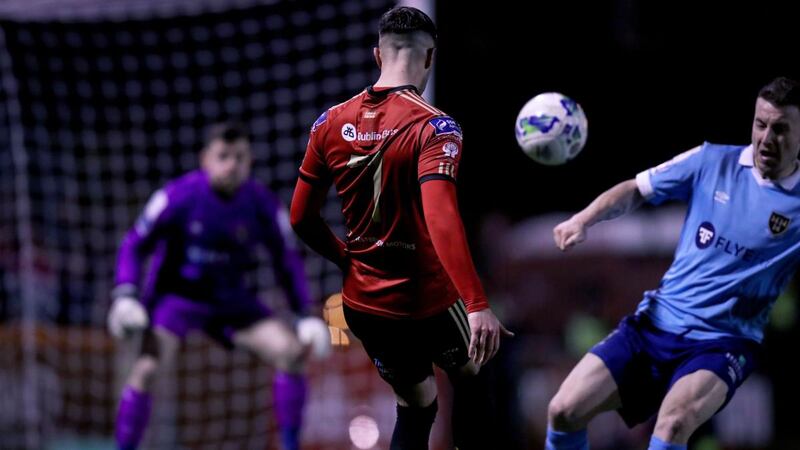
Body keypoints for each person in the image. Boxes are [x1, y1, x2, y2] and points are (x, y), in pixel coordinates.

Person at [289, 6, 512, 450]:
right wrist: (476, 303)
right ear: (429, 58)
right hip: (423, 298)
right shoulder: (434, 126)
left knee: (418, 406)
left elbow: (300, 218)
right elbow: (441, 217)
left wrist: (344, 258)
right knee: (476, 374)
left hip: (364, 303)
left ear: (378, 55)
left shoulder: (329, 122)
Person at [546, 76, 800, 450]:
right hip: (655, 323)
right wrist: (583, 219)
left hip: (724, 342)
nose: (766, 138)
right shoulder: (712, 160)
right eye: (760, 125)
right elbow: (637, 189)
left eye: (780, 129)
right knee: (563, 410)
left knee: (674, 422)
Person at [107, 122, 328, 450]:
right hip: (177, 301)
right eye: (223, 156)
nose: (232, 165)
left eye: (240, 157)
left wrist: (304, 314)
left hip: (232, 302)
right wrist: (125, 293)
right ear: (205, 160)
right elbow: (135, 243)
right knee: (146, 368)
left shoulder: (262, 204)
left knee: (291, 353)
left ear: (250, 161)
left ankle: (290, 445)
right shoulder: (177, 197)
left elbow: (287, 260)